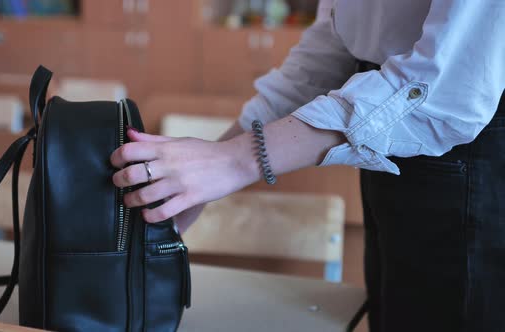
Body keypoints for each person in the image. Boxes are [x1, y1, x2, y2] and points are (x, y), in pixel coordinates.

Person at [110, 1, 505, 331]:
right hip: (392, 137)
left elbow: (446, 89)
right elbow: (332, 48)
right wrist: (205, 169)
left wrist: (234, 160)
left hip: (462, 150)